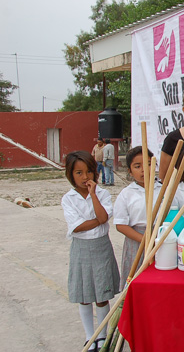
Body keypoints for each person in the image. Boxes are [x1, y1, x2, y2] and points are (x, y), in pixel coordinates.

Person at [61, 151, 120, 351]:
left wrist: (93, 195)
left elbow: (103, 217)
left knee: (102, 294)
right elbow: (76, 226)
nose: (85, 177)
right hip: (81, 249)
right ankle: (89, 336)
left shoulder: (102, 194)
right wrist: (97, 221)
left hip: (101, 246)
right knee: (84, 295)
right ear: (70, 174)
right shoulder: (68, 199)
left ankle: (101, 336)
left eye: (89, 172)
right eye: (79, 172)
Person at [113, 146, 161, 291]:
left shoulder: (163, 189)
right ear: (129, 171)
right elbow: (121, 225)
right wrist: (145, 240)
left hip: (160, 239)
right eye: (137, 166)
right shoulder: (126, 194)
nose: (144, 169)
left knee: (158, 279)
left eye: (148, 164)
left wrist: (157, 238)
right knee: (136, 280)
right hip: (136, 241)